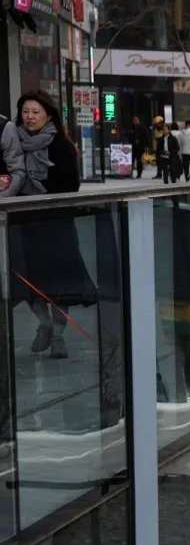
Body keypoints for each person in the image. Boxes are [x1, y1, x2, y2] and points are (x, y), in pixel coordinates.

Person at [13, 91, 92, 360]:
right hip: (24, 223)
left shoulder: (60, 144)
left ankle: (58, 335)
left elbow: (71, 186)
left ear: (48, 114)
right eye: (25, 112)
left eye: (35, 112)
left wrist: (41, 192)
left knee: (60, 282)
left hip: (56, 224)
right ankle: (44, 324)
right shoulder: (14, 142)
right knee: (29, 280)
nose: (30, 117)